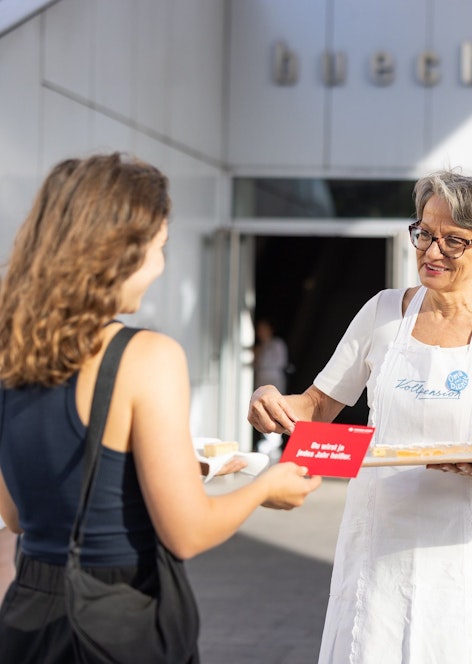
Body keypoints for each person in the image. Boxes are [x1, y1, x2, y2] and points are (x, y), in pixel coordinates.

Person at [0, 152, 323, 662]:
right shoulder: (146, 356)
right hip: (118, 620)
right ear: (121, 251)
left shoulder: (11, 347)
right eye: (159, 247)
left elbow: (19, 513)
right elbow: (188, 533)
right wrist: (266, 486)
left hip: (30, 618)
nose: (161, 266)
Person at [248, 169, 472, 663]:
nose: (431, 252)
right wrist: (273, 400)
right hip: (378, 542)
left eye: (453, 241)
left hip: (465, 551)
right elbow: (319, 405)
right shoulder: (384, 312)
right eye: (424, 234)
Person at [253, 318, 290, 457]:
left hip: (274, 379)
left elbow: (280, 362)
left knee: (275, 407)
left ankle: (274, 440)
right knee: (261, 408)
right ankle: (268, 439)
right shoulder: (260, 346)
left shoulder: (277, 344)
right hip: (261, 379)